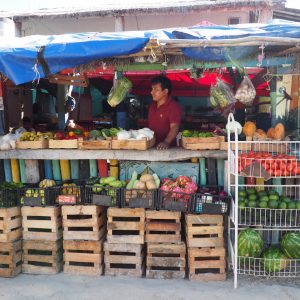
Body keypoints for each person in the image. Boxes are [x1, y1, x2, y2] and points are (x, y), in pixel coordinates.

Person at [148, 76, 181, 150]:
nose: (151, 92)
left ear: (165, 91)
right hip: (152, 147)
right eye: (152, 89)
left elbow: (174, 127)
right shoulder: (152, 106)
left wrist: (166, 142)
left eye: (156, 90)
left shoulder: (173, 106)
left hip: (167, 149)